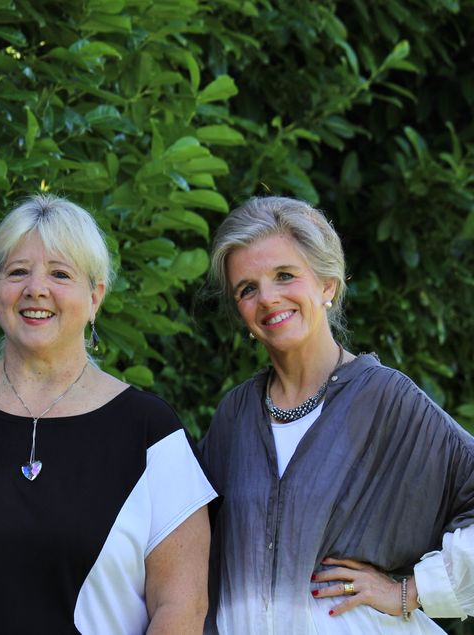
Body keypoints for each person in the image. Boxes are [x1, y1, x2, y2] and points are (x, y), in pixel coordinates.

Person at [0, 193, 216, 634]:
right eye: (17, 272)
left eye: (60, 274)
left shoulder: (151, 434)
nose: (36, 289)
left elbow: (182, 607)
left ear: (95, 297)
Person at [199, 195, 474, 634]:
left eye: (284, 275)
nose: (267, 298)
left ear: (327, 284)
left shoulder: (386, 401)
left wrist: (409, 591)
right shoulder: (234, 417)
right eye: (247, 289)